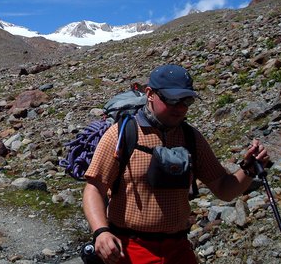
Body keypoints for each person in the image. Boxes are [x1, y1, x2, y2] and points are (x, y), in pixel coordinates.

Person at [82, 64, 269, 264]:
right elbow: (94, 189)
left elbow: (224, 190)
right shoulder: (122, 134)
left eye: (186, 101)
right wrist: (101, 232)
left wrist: (248, 169)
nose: (180, 108)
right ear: (150, 94)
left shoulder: (191, 138)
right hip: (130, 248)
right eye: (172, 100)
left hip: (178, 248)